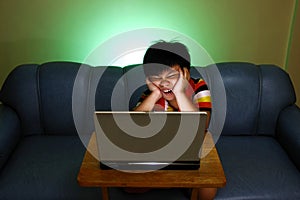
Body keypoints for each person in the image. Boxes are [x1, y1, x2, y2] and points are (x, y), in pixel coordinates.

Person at [133, 40, 217, 200]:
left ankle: (173, 180)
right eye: (156, 77)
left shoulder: (199, 87)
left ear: (186, 73)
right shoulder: (150, 95)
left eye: (172, 75)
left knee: (207, 192)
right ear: (148, 79)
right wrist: (155, 95)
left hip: (193, 147)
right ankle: (173, 180)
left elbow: (201, 126)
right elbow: (133, 125)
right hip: (158, 149)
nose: (164, 83)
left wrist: (179, 93)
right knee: (130, 187)